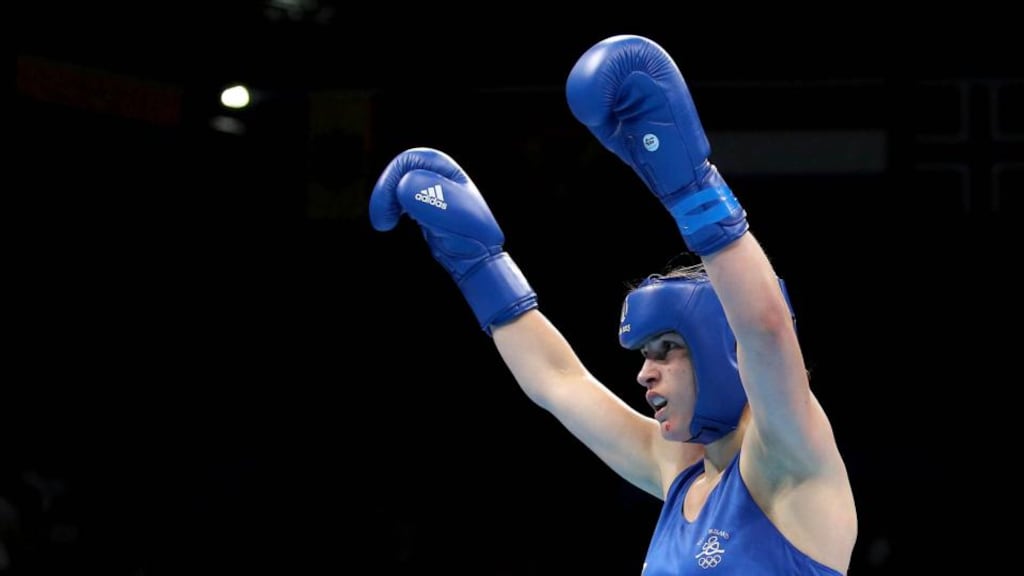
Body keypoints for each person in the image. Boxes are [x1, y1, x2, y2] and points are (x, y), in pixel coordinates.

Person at [369, 34, 858, 575]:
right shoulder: (681, 474)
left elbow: (764, 329)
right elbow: (559, 382)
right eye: (645, 354)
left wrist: (691, 188)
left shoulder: (790, 462)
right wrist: (479, 267)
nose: (645, 374)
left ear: (726, 352)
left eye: (668, 349)